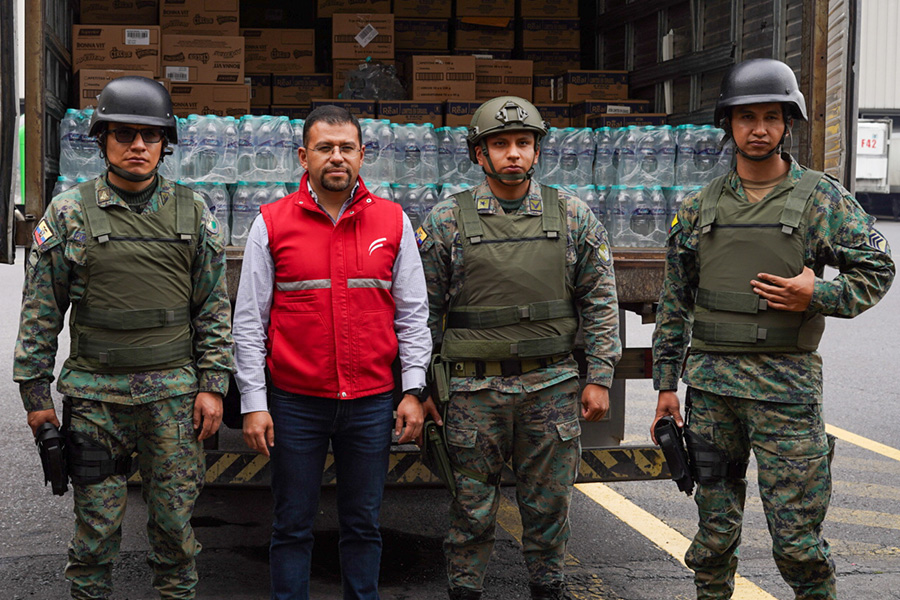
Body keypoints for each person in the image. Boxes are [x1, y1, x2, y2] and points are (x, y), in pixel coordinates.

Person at [650, 58, 895, 600]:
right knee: (713, 539)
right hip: (712, 394)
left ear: (788, 124)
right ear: (728, 125)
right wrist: (667, 387)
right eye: (746, 117)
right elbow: (675, 302)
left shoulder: (821, 200)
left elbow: (879, 269)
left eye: (771, 117)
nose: (759, 129)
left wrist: (819, 294)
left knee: (798, 544)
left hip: (787, 393)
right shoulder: (698, 207)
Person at [14, 76, 233, 599]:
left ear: (165, 143)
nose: (138, 146)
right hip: (96, 402)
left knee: (175, 536)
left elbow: (212, 309)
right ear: (103, 139)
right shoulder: (68, 214)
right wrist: (36, 398)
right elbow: (41, 314)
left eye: (150, 136)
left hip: (174, 402)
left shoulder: (194, 212)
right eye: (125, 134)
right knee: (94, 539)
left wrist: (213, 385)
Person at [417, 96, 621, 600]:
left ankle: (547, 590)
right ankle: (465, 592)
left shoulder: (572, 215)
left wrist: (599, 377)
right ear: (479, 154)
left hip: (550, 387)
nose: (513, 153)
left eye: (523, 143)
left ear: (536, 150)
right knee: (471, 510)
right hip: (471, 391)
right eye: (501, 144)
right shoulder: (446, 221)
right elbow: (420, 313)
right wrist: (420, 386)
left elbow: (600, 300)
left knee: (549, 508)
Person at [233, 105, 432, 600]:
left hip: (370, 402)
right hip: (296, 404)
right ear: (304, 156)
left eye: (346, 148)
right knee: (292, 525)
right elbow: (249, 324)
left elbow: (412, 314)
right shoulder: (271, 223)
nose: (336, 157)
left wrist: (412, 389)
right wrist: (255, 403)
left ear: (363, 155)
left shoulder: (393, 221)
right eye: (325, 148)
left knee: (363, 525)